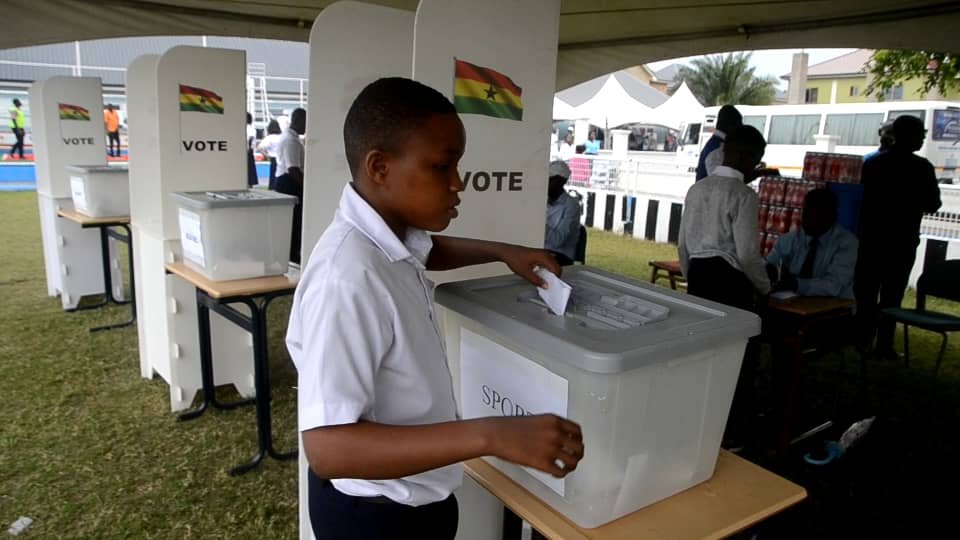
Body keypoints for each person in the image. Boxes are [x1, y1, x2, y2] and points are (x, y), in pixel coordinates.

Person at [286, 77, 584, 540]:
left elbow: (428, 251)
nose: (458, 182)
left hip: (413, 500)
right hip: (376, 518)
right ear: (379, 167)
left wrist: (503, 252)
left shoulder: (387, 238)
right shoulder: (347, 279)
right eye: (442, 166)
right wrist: (492, 434)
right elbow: (328, 448)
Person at [855, 115, 942, 359]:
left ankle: (862, 340)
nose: (923, 139)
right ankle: (884, 345)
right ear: (909, 136)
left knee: (866, 293)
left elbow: (862, 200)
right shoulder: (922, 168)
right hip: (902, 242)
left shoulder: (874, 164)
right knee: (892, 296)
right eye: (921, 134)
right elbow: (933, 204)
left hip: (871, 240)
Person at [679, 124, 771, 311]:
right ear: (745, 157)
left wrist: (692, 278)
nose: (755, 168)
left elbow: (682, 245)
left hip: (697, 275)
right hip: (729, 282)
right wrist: (765, 287)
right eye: (756, 161)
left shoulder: (696, 189)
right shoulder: (744, 195)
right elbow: (747, 254)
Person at [766, 189, 858, 299]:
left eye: (816, 214)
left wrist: (795, 284)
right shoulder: (792, 238)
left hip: (835, 306)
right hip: (794, 303)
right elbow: (770, 263)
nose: (807, 219)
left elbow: (833, 286)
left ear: (831, 216)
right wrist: (769, 271)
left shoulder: (847, 244)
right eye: (806, 213)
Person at [274, 108, 306, 263]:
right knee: (294, 221)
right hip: (289, 183)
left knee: (291, 221)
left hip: (286, 181)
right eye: (305, 122)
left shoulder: (290, 138)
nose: (306, 127)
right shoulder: (290, 141)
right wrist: (307, 189)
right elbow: (293, 169)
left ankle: (291, 254)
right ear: (298, 120)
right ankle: (292, 256)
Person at [544, 160, 581, 266]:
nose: (545, 183)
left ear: (561, 182)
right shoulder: (542, 200)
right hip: (542, 251)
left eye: (550, 180)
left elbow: (557, 241)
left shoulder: (571, 206)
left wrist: (538, 223)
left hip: (561, 255)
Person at [696, 105, 742, 181]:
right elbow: (722, 182)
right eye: (739, 125)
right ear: (731, 126)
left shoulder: (714, 143)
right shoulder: (720, 149)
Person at [256, 119, 283, 189]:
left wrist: (266, 155)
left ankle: (272, 188)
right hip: (281, 158)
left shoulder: (269, 138)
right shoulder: (281, 137)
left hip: (273, 157)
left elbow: (259, 148)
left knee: (272, 176)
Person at [246, 112, 258, 186]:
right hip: (250, 151)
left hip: (247, 151)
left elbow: (249, 140)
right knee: (250, 170)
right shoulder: (252, 129)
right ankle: (250, 184)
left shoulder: (247, 129)